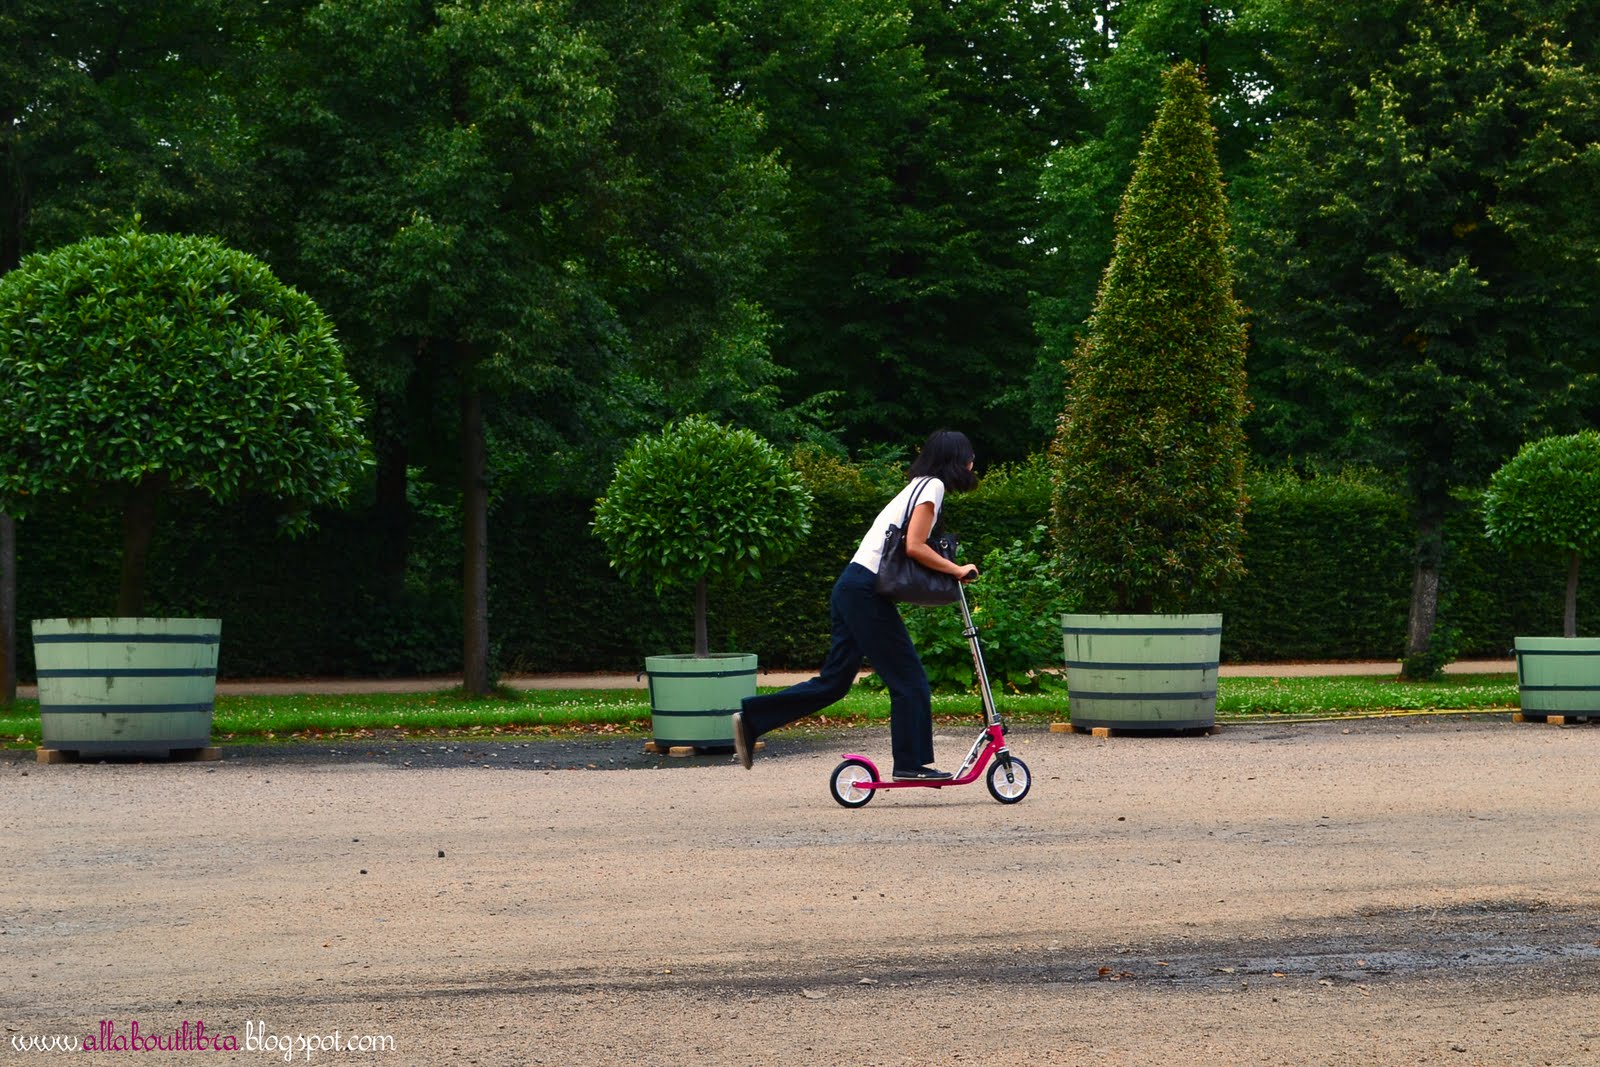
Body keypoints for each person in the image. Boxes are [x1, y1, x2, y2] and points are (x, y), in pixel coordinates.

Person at [731, 430, 979, 779]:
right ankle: (911, 765)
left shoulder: (918, 485)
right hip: (864, 591)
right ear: (955, 459)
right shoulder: (933, 487)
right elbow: (914, 545)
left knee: (834, 682)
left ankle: (753, 718)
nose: (972, 464)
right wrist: (957, 569)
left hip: (852, 586)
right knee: (910, 680)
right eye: (969, 457)